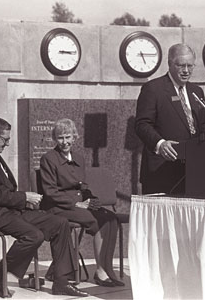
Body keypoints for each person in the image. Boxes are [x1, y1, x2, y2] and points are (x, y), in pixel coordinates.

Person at [0, 117, 88, 297]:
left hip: (7, 211)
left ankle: (61, 280)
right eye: (5, 139)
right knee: (33, 235)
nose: (8, 143)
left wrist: (23, 200)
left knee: (59, 223)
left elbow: (3, 192)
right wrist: (24, 197)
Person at [39, 118, 124, 287]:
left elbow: (82, 185)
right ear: (55, 139)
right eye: (61, 138)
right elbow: (50, 192)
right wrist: (75, 204)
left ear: (74, 137)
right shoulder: (48, 158)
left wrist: (90, 198)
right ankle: (100, 272)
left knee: (111, 218)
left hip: (79, 204)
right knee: (98, 221)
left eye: (68, 137)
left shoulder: (79, 157)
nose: (65, 142)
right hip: (58, 207)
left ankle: (107, 269)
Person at [135, 43, 205, 194]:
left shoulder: (197, 91)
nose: (186, 71)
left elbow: (204, 125)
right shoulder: (153, 89)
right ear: (169, 64)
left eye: (190, 66)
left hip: (192, 173)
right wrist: (160, 144)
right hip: (162, 172)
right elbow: (142, 124)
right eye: (181, 65)